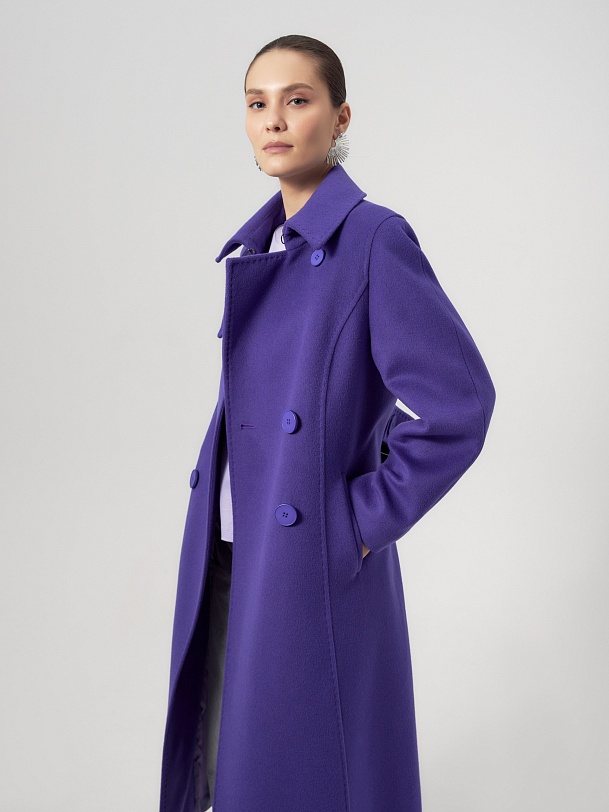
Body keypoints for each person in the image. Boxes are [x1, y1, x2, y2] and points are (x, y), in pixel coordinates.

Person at [159, 34, 495, 812]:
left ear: (340, 117)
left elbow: (459, 403)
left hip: (306, 560)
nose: (273, 120)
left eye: (297, 100)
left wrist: (355, 522)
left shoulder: (373, 239)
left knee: (307, 775)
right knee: (232, 768)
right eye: (257, 104)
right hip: (231, 551)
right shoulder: (267, 245)